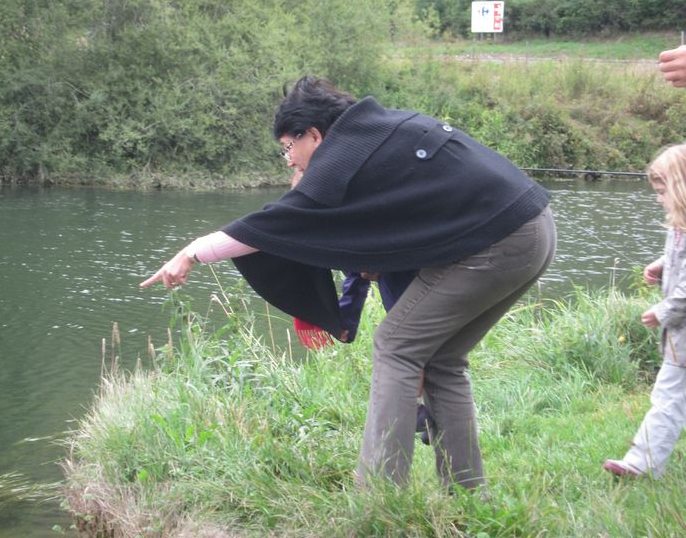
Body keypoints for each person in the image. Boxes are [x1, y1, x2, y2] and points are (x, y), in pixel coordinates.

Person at [140, 76, 557, 491]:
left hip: (501, 241)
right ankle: (466, 493)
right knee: (441, 360)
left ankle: (378, 495)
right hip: (534, 227)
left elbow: (272, 225)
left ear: (314, 135)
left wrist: (193, 251)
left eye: (288, 147)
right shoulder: (376, 134)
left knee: (396, 346)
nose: (287, 159)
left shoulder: (342, 156)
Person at [604, 144, 686, 479]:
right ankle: (641, 463)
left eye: (662, 192)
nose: (659, 199)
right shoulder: (679, 229)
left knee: (668, 399)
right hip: (680, 341)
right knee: (668, 398)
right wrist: (663, 264)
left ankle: (642, 463)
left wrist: (663, 311)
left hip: (681, 335)